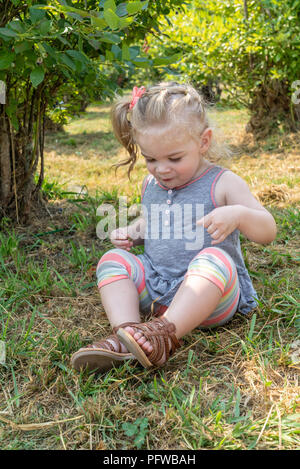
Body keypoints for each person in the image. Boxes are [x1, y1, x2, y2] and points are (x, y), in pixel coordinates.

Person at [71, 82, 277, 372]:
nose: (162, 168)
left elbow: (268, 231)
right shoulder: (152, 184)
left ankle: (163, 334)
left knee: (215, 259)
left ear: (203, 142)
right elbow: (154, 222)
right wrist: (134, 232)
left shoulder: (223, 183)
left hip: (210, 299)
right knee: (112, 260)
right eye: (150, 159)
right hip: (157, 289)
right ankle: (127, 334)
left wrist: (239, 215)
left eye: (174, 158)